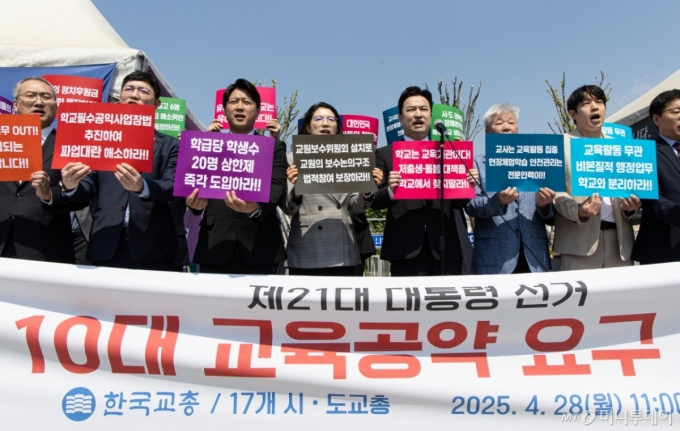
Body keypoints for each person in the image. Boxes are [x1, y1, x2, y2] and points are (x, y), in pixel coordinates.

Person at [60, 71, 187, 271]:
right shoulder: (99, 141)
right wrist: (71, 185)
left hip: (153, 247)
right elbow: (87, 186)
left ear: (156, 104)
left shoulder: (171, 145)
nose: (134, 95)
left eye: (143, 91)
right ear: (120, 98)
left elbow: (173, 185)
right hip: (107, 244)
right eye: (128, 89)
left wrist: (142, 187)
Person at [371, 86, 478, 276]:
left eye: (423, 109)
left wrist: (467, 185)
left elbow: (458, 203)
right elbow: (374, 200)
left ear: (431, 114)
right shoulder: (385, 154)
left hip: (445, 247)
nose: (418, 114)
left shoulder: (448, 152)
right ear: (400, 118)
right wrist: (391, 191)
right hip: (405, 249)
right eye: (411, 109)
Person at [186, 79, 287, 274]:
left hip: (262, 249)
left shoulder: (273, 147)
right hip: (215, 247)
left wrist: (255, 208)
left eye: (246, 102)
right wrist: (194, 205)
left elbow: (277, 188)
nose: (240, 107)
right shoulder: (208, 145)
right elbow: (194, 187)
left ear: (258, 111)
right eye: (233, 102)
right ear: (224, 110)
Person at [283, 102, 382, 276]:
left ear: (337, 127)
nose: (325, 123)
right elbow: (288, 208)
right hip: (307, 248)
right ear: (308, 127)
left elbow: (356, 207)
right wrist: (298, 189)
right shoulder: (292, 159)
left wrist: (366, 190)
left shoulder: (350, 158)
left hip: (343, 246)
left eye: (331, 119)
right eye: (318, 119)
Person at [553, 85, 641, 270]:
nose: (595, 107)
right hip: (578, 244)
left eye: (599, 102)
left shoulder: (621, 146)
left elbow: (633, 186)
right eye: (586, 103)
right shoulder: (560, 145)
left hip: (620, 244)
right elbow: (555, 191)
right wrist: (578, 211)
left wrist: (630, 208)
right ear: (573, 114)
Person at [0, 76, 85, 263]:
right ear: (15, 104)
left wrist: (49, 195)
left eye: (46, 97)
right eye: (31, 95)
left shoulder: (71, 146)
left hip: (44, 250)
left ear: (56, 106)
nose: (38, 102)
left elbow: (83, 196)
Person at [465, 103, 555, 274]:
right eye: (499, 123)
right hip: (494, 258)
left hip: (534, 257)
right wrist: (498, 201)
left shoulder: (536, 161)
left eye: (511, 123)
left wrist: (545, 204)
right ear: (487, 132)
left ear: (517, 129)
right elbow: (471, 206)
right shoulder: (476, 164)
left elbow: (549, 212)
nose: (506, 127)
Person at [632, 89, 680, 264]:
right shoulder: (645, 152)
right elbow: (648, 196)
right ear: (657, 119)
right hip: (662, 248)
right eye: (675, 111)